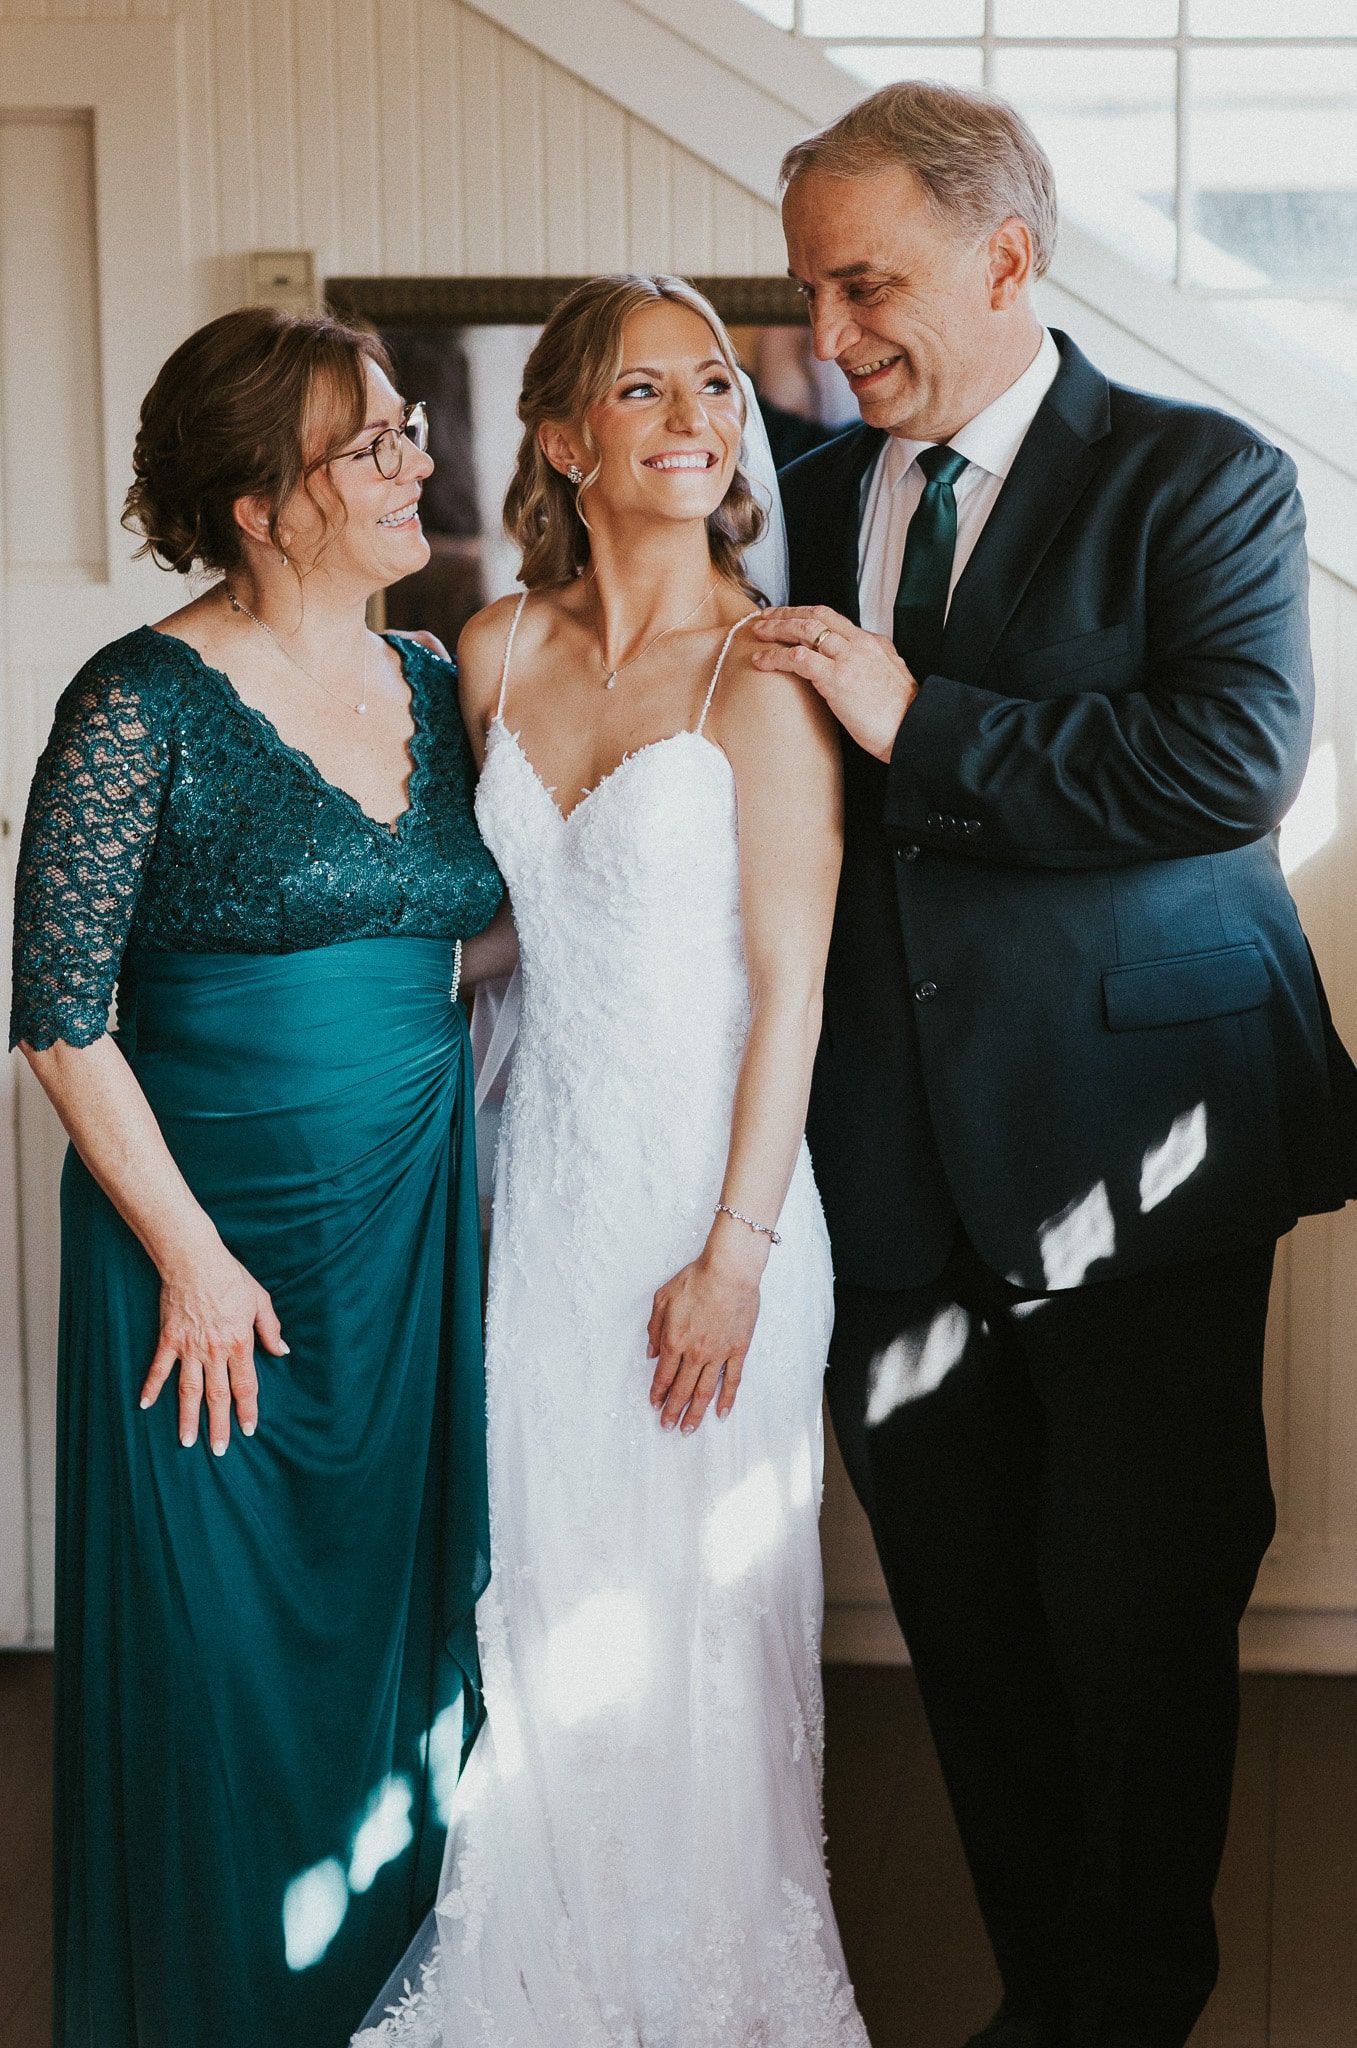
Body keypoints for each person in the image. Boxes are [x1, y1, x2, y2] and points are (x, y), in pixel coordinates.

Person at [753, 81, 1357, 2048]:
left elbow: (1222, 768)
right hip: (890, 1164)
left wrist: (916, 712)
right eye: (811, 292)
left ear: (1007, 257)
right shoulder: (811, 500)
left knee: (1142, 1613)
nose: (831, 338)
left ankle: (1137, 2001)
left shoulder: (1207, 474)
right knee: (970, 1624)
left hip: (1140, 1149)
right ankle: (1040, 1997)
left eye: (869, 284)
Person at [354, 274, 868, 2048]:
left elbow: (792, 993)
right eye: (642, 392)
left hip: (712, 1200)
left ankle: (712, 1992)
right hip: (546, 1199)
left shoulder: (765, 669)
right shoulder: (494, 652)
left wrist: (731, 1253)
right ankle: (549, 1972)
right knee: (550, 1582)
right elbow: (501, 932)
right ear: (565, 438)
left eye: (713, 387)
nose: (692, 419)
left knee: (698, 1617)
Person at [9, 306, 505, 2048]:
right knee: (219, 1667)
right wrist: (194, 1261)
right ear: (255, 501)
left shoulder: (437, 678)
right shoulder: (138, 699)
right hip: (203, 1257)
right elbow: (62, 1017)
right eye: (367, 443)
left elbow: (481, 931)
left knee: (403, 1634)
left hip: (406, 1223)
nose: (413, 462)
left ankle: (393, 2005)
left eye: (405, 429)